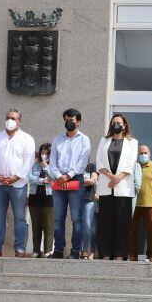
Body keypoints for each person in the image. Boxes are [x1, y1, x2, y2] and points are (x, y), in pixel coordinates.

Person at [0, 109, 35, 257]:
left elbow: (28, 161)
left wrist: (16, 177)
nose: (10, 120)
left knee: (19, 217)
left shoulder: (27, 139)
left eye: (13, 118)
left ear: (19, 121)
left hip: (18, 185)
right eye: (8, 117)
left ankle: (19, 249)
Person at [48, 108, 91, 260]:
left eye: (71, 120)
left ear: (78, 122)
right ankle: (58, 250)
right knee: (58, 218)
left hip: (75, 180)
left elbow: (82, 162)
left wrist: (68, 176)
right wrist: (59, 176)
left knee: (76, 218)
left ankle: (75, 251)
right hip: (58, 181)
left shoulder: (84, 140)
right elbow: (52, 162)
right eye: (66, 120)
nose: (69, 123)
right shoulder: (57, 139)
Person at [95, 114, 138, 260]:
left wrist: (117, 178)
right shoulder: (104, 141)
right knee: (105, 221)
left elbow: (130, 164)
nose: (116, 125)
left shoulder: (132, 142)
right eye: (113, 123)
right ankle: (106, 253)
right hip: (106, 185)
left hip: (123, 188)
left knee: (122, 222)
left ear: (124, 125)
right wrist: (111, 177)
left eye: (119, 123)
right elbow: (99, 162)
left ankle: (120, 254)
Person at [128, 145, 152, 261]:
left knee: (151, 230)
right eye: (141, 153)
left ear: (149, 153)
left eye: (145, 153)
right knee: (133, 230)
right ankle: (132, 254)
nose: (143, 155)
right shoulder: (134, 166)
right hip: (134, 203)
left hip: (151, 203)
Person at [27, 143, 54, 258]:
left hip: (48, 198)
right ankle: (36, 250)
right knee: (36, 225)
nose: (44, 155)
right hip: (34, 197)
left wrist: (46, 167)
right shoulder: (35, 165)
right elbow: (30, 177)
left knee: (48, 225)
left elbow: (54, 177)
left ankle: (47, 250)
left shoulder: (53, 166)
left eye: (46, 153)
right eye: (42, 153)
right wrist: (42, 180)